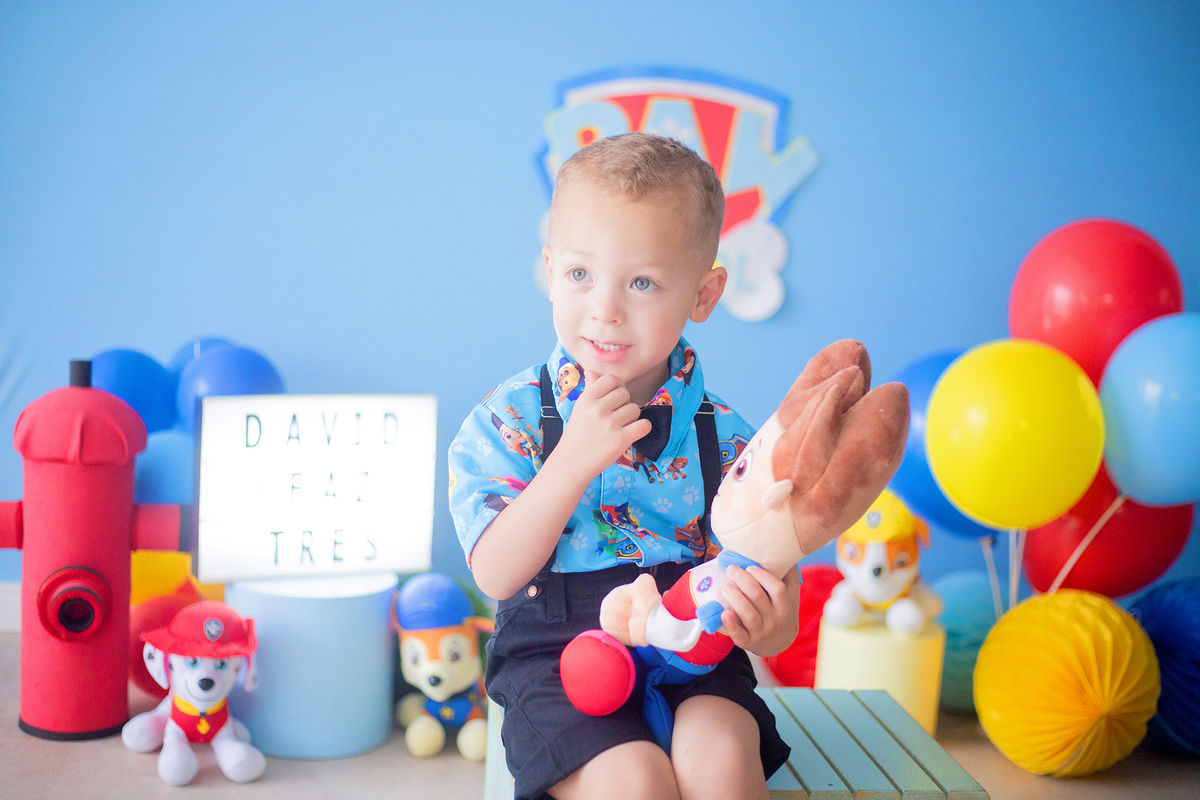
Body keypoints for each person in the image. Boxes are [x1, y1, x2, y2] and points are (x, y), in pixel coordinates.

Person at [448, 132, 797, 800]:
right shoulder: (508, 420)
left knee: (720, 760)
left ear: (704, 294)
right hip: (558, 659)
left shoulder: (727, 440)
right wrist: (569, 463)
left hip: (692, 647)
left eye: (642, 282)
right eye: (581, 274)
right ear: (550, 269)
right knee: (634, 783)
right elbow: (495, 571)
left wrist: (769, 622)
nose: (605, 307)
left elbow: (781, 602)